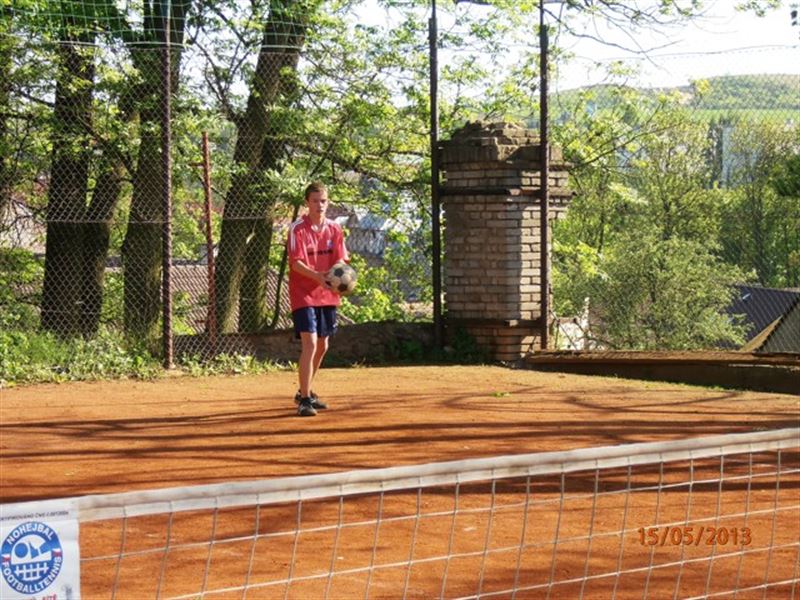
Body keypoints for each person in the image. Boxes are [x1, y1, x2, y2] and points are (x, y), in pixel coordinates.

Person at [287, 181, 349, 416]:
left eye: (323, 201)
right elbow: (296, 263)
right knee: (310, 343)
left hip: (327, 293)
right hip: (303, 294)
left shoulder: (335, 228)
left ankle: (305, 390)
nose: (319, 205)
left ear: (328, 202)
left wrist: (336, 274)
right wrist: (318, 277)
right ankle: (304, 401)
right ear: (307, 203)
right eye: (315, 201)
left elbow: (341, 258)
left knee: (323, 345)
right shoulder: (297, 229)